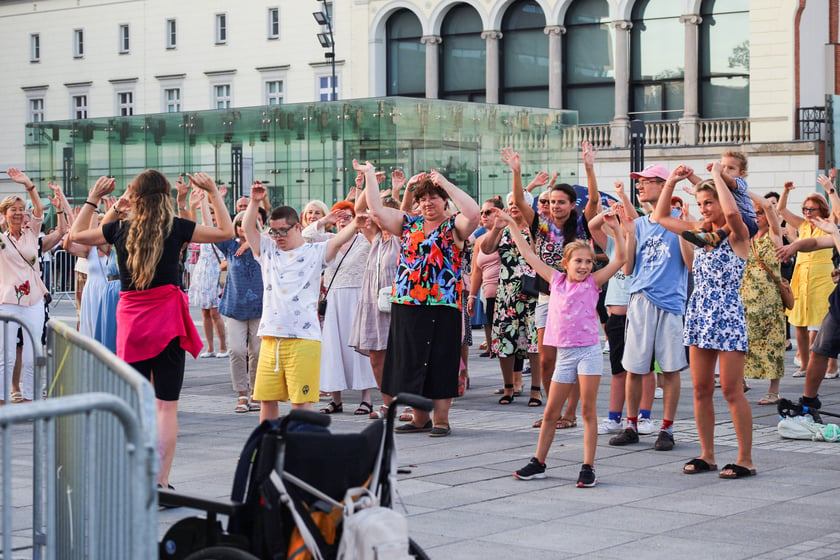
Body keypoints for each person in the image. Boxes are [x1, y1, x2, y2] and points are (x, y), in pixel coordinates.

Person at [69, 170, 232, 489]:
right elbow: (225, 231)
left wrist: (96, 198)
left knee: (137, 404)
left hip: (131, 324)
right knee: (166, 406)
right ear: (166, 196)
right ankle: (160, 480)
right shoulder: (176, 228)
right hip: (167, 322)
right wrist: (212, 192)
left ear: (135, 196)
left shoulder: (117, 229)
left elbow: (76, 235)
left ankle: (135, 476)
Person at [509, 206, 629, 486]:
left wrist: (616, 230)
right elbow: (527, 252)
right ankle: (538, 462)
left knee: (587, 411)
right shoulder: (556, 280)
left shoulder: (594, 282)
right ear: (566, 263)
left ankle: (588, 466)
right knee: (551, 412)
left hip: (588, 353)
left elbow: (620, 257)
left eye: (588, 261)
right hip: (565, 356)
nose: (585, 266)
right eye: (579, 261)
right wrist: (511, 224)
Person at [361, 160, 480, 437]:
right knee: (410, 360)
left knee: (440, 360)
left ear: (443, 201)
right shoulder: (408, 223)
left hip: (443, 304)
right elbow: (376, 210)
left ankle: (441, 419)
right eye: (422, 199)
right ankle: (419, 417)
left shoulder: (454, 226)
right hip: (407, 303)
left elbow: (473, 213)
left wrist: (445, 183)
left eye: (433, 198)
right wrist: (369, 176)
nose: (427, 203)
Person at [655, 164, 755, 478]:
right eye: (701, 204)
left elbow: (734, 214)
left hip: (727, 313)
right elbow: (661, 218)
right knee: (700, 389)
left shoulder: (739, 235)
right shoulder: (700, 232)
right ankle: (707, 455)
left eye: (709, 203)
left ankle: (745, 459)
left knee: (731, 389)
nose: (704, 208)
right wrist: (671, 180)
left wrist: (721, 181)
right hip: (700, 311)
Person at [243, 182, 364, 422]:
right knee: (267, 399)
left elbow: (337, 240)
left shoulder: (314, 252)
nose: (277, 237)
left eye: (283, 231)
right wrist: (255, 201)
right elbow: (248, 229)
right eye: (273, 231)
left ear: (297, 226)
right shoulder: (268, 250)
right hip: (270, 338)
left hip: (303, 338)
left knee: (301, 401)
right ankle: (268, 447)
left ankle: (301, 448)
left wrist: (356, 224)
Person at [507, 144, 600, 428]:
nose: (556, 206)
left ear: (572, 205)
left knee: (570, 356)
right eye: (552, 201)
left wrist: (588, 168)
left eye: (562, 202)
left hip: (577, 300)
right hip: (547, 298)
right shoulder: (542, 226)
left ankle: (570, 413)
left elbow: (594, 200)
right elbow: (522, 203)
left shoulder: (581, 225)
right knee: (547, 360)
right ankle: (553, 409)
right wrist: (517, 172)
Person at [610, 164, 693, 452]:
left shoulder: (680, 222)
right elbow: (629, 267)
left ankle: (667, 428)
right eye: (639, 182)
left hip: (670, 302)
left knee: (670, 369)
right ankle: (631, 424)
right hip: (641, 299)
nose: (640, 186)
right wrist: (628, 233)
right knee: (635, 367)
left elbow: (691, 263)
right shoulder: (641, 224)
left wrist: (685, 225)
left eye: (646, 182)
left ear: (663, 185)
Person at [302, 200, 376, 415]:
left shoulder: (365, 239)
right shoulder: (327, 240)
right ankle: (336, 399)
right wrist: (325, 220)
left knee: (360, 347)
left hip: (358, 297)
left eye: (348, 216)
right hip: (334, 299)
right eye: (340, 217)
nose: (343, 221)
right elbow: (306, 237)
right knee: (334, 347)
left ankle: (366, 398)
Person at [349, 173, 403, 418]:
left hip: (400, 304)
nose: (375, 217)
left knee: (402, 355)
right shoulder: (375, 239)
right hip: (374, 303)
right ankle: (388, 403)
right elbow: (358, 209)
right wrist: (372, 183)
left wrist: (398, 192)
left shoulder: (404, 237)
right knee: (376, 357)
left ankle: (411, 404)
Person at [479, 191, 540, 406]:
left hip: (532, 293)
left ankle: (535, 389)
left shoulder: (535, 228)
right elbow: (486, 249)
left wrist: (522, 227)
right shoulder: (503, 228)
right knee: (505, 340)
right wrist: (497, 225)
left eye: (518, 204)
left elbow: (535, 252)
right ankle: (508, 387)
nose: (513, 207)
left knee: (534, 342)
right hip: (506, 292)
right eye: (510, 203)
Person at [776, 216, 840, 414]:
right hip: (838, 306)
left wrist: (835, 233)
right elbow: (815, 242)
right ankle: (809, 401)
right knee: (819, 350)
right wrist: (794, 247)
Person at [777, 180, 835, 378]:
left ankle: (831, 365)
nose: (808, 212)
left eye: (812, 208)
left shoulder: (828, 224)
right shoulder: (802, 225)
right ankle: (805, 363)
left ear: (822, 209)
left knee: (824, 322)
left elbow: (837, 211)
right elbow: (781, 209)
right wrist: (785, 191)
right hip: (801, 276)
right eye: (805, 208)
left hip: (823, 276)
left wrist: (830, 190)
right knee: (799, 322)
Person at [1, 168, 49, 403]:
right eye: (14, 210)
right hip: (7, 302)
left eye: (21, 210)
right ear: (4, 214)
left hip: (34, 301)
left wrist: (28, 184)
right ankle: (2, 400)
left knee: (32, 354)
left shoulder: (32, 232)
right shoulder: (1, 240)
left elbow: (38, 210)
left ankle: (30, 398)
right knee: (6, 356)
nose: (19, 213)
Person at [216, 211, 264, 413]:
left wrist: (252, 243)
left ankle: (256, 393)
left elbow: (273, 236)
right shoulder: (229, 246)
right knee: (236, 350)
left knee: (258, 352)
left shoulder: (266, 244)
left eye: (248, 223)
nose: (243, 228)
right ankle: (241, 393)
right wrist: (204, 199)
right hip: (235, 307)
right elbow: (215, 229)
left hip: (261, 308)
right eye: (239, 224)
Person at [740, 195, 786, 405]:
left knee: (772, 342)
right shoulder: (745, 238)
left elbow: (768, 205)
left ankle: (773, 390)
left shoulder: (774, 236)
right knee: (742, 341)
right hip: (745, 298)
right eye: (754, 213)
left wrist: (741, 187)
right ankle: (739, 381)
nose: (757, 216)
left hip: (770, 299)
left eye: (759, 213)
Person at [682, 150, 758, 246]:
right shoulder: (721, 184)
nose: (725, 170)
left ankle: (717, 236)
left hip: (747, 221)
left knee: (737, 215)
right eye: (723, 167)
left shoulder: (740, 182)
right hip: (732, 220)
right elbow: (703, 184)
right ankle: (701, 233)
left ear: (741, 173)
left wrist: (718, 172)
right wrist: (689, 175)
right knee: (710, 218)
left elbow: (731, 181)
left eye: (731, 168)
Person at [188, 192, 228, 359]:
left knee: (215, 312)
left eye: (214, 213)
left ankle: (223, 347)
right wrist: (195, 204)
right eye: (210, 213)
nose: (211, 217)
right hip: (202, 272)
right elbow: (194, 224)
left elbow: (206, 220)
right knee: (205, 312)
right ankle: (210, 347)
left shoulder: (221, 232)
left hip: (216, 272)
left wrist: (205, 199)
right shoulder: (205, 232)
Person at [467, 198, 503, 361]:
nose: (484, 215)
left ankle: (515, 382)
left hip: (507, 294)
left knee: (509, 340)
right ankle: (491, 347)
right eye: (482, 213)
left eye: (488, 212)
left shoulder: (508, 233)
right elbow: (476, 271)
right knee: (491, 327)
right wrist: (472, 296)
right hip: (489, 295)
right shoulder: (480, 240)